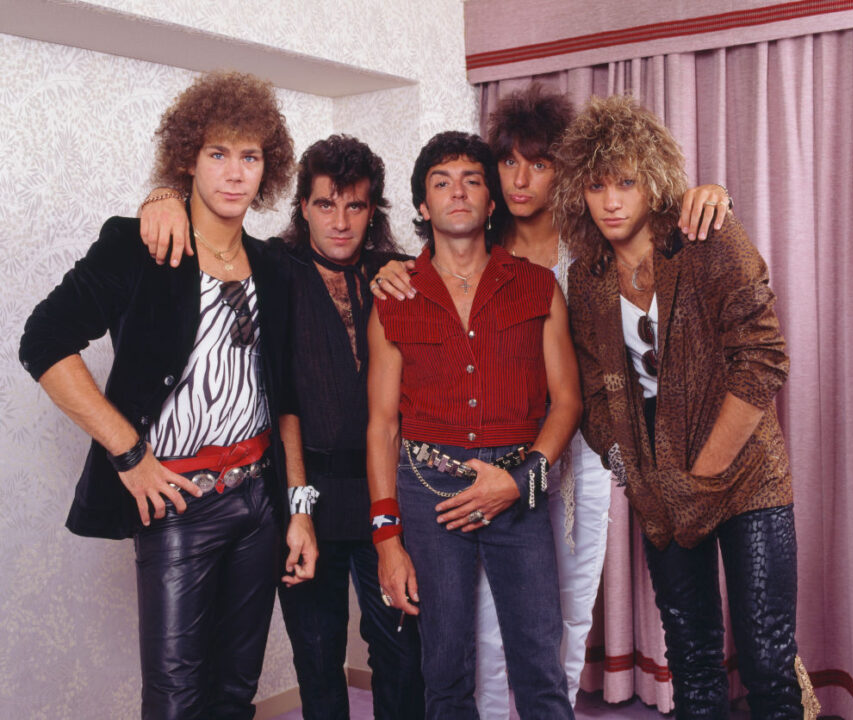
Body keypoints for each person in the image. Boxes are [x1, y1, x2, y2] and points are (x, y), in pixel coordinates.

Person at [370, 83, 732, 715]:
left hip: (575, 450)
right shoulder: (449, 260)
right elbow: (385, 413)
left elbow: (659, 221)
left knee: (560, 612)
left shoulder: (593, 235)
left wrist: (711, 194)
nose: (519, 177)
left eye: (539, 163)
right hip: (461, 461)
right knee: (467, 633)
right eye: (507, 161)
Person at [19, 71, 318, 720]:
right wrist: (129, 455)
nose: (235, 173)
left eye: (250, 156)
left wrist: (300, 509)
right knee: (178, 702)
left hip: (260, 503)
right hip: (178, 503)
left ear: (268, 167)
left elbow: (288, 399)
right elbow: (42, 342)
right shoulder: (139, 244)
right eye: (218, 153)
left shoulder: (276, 269)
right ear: (188, 157)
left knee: (236, 695)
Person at [138, 135, 425, 720]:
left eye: (356, 206)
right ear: (301, 207)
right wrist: (163, 192)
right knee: (317, 659)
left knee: (401, 651)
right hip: (302, 493)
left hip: (385, 491)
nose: (340, 222)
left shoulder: (396, 274)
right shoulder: (270, 268)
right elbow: (206, 233)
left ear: (375, 212)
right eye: (325, 205)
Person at [555, 94, 816, 719]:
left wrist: (702, 476)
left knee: (767, 662)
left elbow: (762, 360)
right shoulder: (585, 278)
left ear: (654, 181)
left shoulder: (705, 237)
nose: (612, 200)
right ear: (579, 193)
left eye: (626, 181)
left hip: (744, 470)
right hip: (654, 482)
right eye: (596, 185)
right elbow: (593, 396)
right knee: (693, 666)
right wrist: (632, 472)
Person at [366, 130, 580, 719]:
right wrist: (386, 537)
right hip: (427, 490)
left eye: (471, 180)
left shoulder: (537, 286)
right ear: (421, 206)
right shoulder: (393, 296)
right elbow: (382, 424)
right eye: (440, 182)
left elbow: (567, 402)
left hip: (519, 486)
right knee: (444, 665)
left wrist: (522, 481)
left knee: (539, 659)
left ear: (491, 203)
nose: (456, 192)